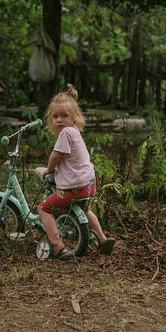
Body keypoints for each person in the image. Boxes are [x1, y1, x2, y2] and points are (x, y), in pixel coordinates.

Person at [37, 84, 116, 260]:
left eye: (64, 116)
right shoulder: (75, 132)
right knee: (86, 211)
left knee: (43, 209)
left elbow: (56, 156)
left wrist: (48, 171)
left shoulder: (65, 133)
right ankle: (103, 239)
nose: (59, 120)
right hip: (88, 185)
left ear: (74, 117)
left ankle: (57, 246)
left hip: (72, 188)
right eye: (55, 116)